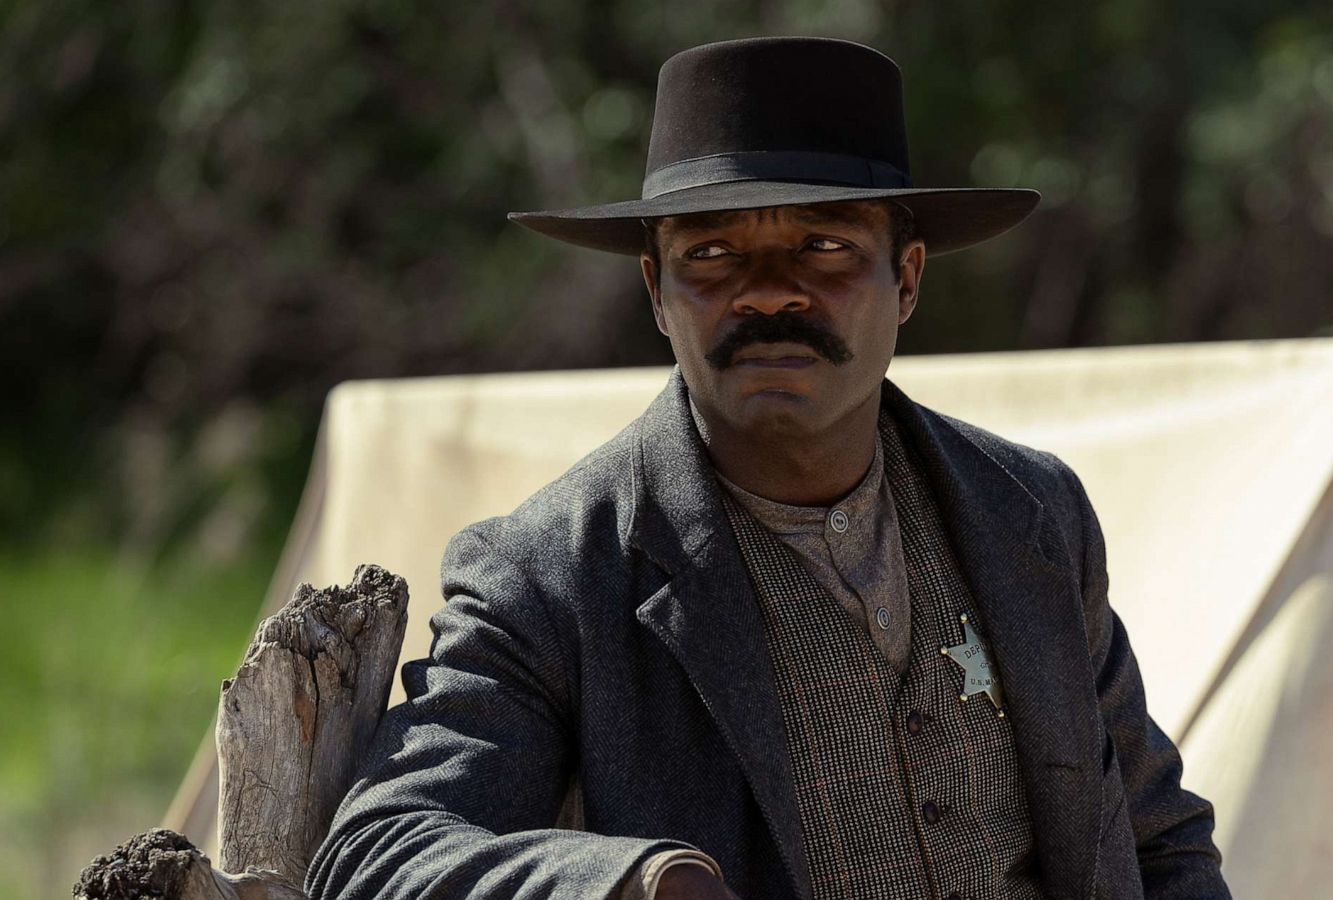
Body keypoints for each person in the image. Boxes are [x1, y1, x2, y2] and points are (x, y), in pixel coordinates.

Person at [306, 36, 1230, 900]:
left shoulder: (1030, 512)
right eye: (711, 253)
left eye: (825, 247)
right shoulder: (552, 573)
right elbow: (379, 852)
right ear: (656, 292)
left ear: (905, 280)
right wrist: (631, 883)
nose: (770, 290)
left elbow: (1159, 841)